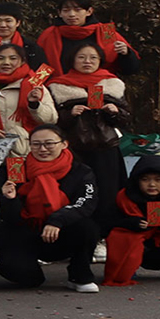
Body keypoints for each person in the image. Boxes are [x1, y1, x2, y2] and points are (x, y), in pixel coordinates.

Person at [0, 125, 100, 292]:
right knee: (22, 275)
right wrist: (10, 200)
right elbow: (10, 217)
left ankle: (79, 276)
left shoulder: (81, 171)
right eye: (36, 144)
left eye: (49, 143)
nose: (42, 149)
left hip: (62, 230)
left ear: (64, 144)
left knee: (87, 227)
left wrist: (56, 221)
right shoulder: (16, 169)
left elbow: (86, 203)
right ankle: (31, 273)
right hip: (27, 231)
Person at [48, 43, 130, 231]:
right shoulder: (58, 86)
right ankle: (78, 232)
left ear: (100, 60)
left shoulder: (113, 84)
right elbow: (49, 119)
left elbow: (126, 118)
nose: (87, 61)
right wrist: (69, 114)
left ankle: (104, 234)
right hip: (74, 149)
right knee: (78, 191)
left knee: (108, 192)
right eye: (81, 57)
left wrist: (114, 112)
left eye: (93, 57)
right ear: (72, 60)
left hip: (106, 148)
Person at [0, 43, 56, 187]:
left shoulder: (35, 85)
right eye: (0, 58)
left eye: (13, 58)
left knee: (17, 190)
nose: (6, 62)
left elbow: (51, 119)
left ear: (22, 61)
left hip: (20, 151)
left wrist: (34, 105)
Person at [37, 0, 138, 77]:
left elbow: (130, 69)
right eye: (66, 10)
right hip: (60, 87)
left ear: (89, 11)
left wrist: (127, 54)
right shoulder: (49, 34)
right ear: (59, 13)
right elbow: (40, 67)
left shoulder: (106, 32)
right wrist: (38, 88)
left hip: (99, 85)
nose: (72, 14)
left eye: (77, 10)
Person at [103, 155, 160, 286]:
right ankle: (125, 269)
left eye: (159, 180)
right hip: (138, 244)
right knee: (121, 236)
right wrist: (131, 223)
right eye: (145, 179)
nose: (152, 184)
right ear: (136, 180)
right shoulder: (124, 197)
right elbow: (107, 223)